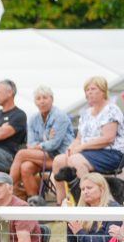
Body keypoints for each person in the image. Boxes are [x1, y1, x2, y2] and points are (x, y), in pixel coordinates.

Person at [52, 76, 124, 204]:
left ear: (103, 91)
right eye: (87, 90)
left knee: (76, 160)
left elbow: (108, 138)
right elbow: (79, 138)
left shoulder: (111, 110)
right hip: (87, 152)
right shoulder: (86, 113)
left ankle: (85, 203)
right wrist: (72, 147)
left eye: (93, 89)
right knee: (58, 160)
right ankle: (61, 203)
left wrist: (82, 147)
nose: (89, 92)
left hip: (111, 153)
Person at [9, 86, 73, 198]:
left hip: (61, 155)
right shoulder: (33, 119)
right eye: (38, 98)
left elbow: (54, 144)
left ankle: (8, 187)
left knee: (21, 154)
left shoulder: (59, 116)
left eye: (45, 97)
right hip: (44, 155)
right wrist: (46, 141)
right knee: (26, 167)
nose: (42, 101)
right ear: (35, 102)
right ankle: (34, 201)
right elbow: (30, 144)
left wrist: (40, 145)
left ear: (52, 99)